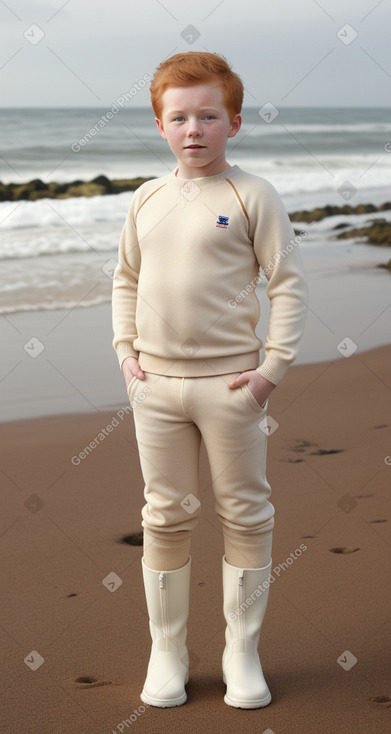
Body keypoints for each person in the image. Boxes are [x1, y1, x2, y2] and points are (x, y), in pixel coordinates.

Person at [112, 51, 309, 710]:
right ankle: (166, 651)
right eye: (178, 118)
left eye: (207, 116)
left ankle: (241, 650)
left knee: (245, 512)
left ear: (234, 122)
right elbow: (127, 279)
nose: (192, 129)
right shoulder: (145, 198)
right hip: (156, 389)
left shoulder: (252, 195)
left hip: (232, 387)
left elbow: (285, 284)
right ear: (160, 125)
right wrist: (125, 354)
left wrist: (270, 370)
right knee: (164, 516)